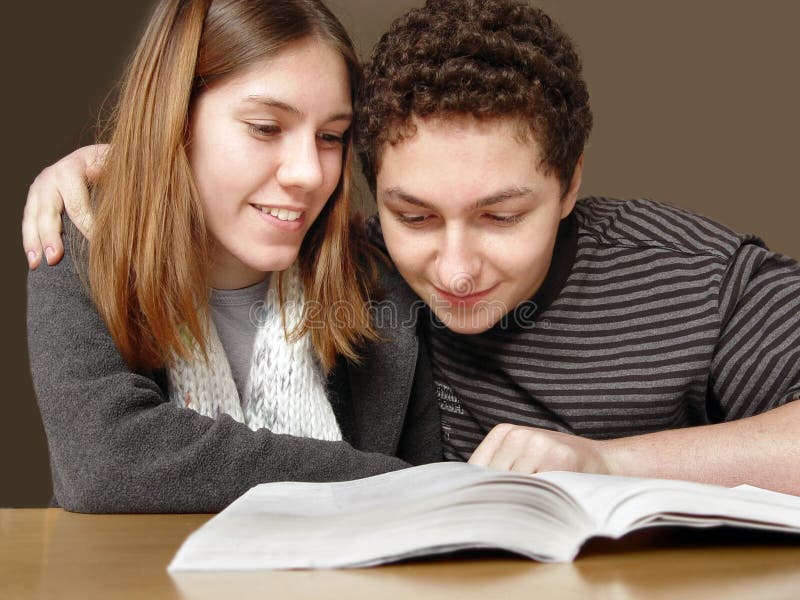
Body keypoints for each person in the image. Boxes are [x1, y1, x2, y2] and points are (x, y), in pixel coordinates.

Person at [26, 0, 800, 494]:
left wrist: (610, 463)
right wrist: (110, 168)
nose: (455, 273)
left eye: (501, 217)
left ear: (569, 186)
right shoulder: (374, 280)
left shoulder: (694, 278)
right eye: (416, 218)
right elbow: (108, 453)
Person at [24, 0, 441, 514]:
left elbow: (434, 509)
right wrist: (391, 483)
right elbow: (106, 465)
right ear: (175, 118)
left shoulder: (378, 286)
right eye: (266, 128)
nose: (309, 173)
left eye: (330, 137)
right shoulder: (83, 243)